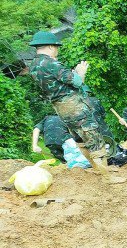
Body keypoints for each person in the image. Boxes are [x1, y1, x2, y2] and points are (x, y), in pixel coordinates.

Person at [25, 30, 114, 174]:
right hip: (74, 106)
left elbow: (60, 83)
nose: (57, 51)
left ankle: (98, 170)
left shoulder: (34, 65)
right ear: (50, 47)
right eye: (56, 48)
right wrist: (80, 71)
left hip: (60, 108)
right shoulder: (51, 64)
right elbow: (78, 82)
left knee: (80, 139)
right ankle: (107, 176)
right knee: (94, 139)